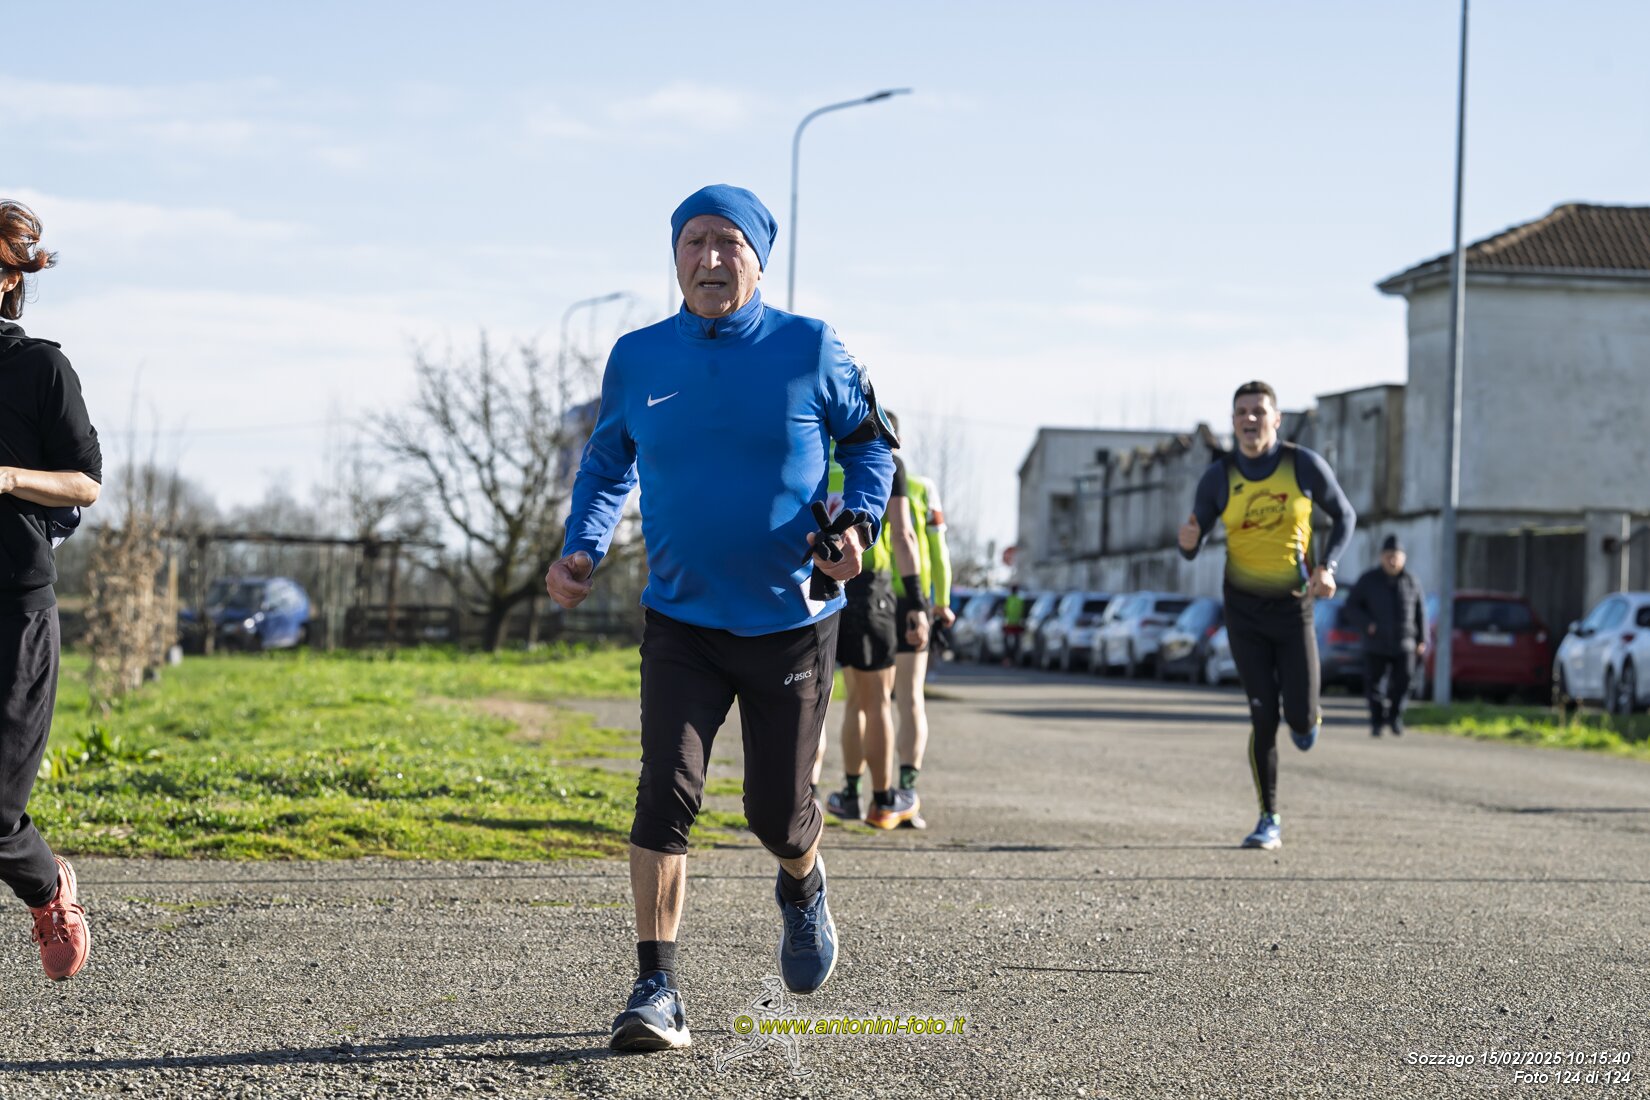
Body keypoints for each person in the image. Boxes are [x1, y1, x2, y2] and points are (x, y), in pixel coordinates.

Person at [546, 184, 897, 1054]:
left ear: (759, 260)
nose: (708, 259)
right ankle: (656, 987)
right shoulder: (638, 357)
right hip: (682, 618)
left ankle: (803, 881)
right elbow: (606, 465)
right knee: (664, 794)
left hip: (790, 618)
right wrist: (583, 547)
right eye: (693, 241)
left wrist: (859, 526)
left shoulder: (811, 347)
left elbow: (870, 444)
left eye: (728, 243)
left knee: (776, 812)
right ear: (674, 255)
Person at [1178, 381, 1355, 851]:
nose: (1250, 419)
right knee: (1262, 716)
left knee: (1299, 717)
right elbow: (1194, 539)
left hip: (1294, 609)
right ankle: (1268, 819)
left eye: (1259, 411)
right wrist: (1188, 542)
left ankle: (1307, 721)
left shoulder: (1303, 465)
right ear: (1233, 422)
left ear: (1277, 419)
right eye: (1241, 412)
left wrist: (1327, 566)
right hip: (1243, 614)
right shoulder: (1219, 477)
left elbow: (1345, 515)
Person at [0, 201, 101, 980]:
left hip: (14, 604)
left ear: (9, 280)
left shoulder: (40, 368)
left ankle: (46, 887)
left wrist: (7, 477)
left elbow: (85, 483)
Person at [813, 428, 929, 830]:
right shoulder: (883, 461)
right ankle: (882, 802)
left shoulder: (815, 451)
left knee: (823, 699)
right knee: (876, 701)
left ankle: (820, 795)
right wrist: (917, 601)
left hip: (815, 584)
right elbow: (903, 534)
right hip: (866, 586)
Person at [890, 464, 953, 819]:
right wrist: (942, 601)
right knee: (910, 698)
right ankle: (907, 790)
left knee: (865, 702)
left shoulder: (837, 469)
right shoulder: (923, 487)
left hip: (861, 594)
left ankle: (855, 791)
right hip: (912, 599)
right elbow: (938, 548)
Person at [1345, 534, 1426, 738]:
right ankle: (1377, 721)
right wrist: (1367, 625)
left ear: (1403, 558)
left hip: (1405, 641)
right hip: (1376, 642)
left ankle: (1395, 717)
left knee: (1405, 681)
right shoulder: (1368, 580)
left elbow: (1420, 612)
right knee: (1374, 685)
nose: (1392, 560)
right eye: (1388, 555)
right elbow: (1351, 607)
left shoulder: (1411, 581)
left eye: (1396, 556)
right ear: (1381, 557)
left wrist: (1422, 640)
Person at [1000, 585, 1027, 666]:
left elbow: (1004, 611)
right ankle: (1011, 658)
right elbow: (1023, 612)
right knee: (1015, 643)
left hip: (1010, 623)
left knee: (1008, 643)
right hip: (1016, 624)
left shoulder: (1009, 599)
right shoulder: (1019, 600)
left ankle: (1009, 658)